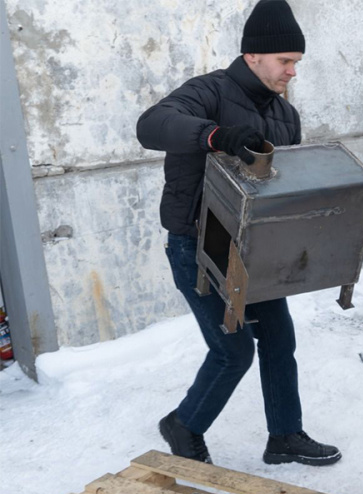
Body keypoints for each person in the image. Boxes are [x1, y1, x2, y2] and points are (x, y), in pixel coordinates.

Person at [136, 0, 340, 467]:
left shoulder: (285, 116)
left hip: (255, 248)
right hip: (199, 246)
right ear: (252, 55)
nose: (292, 72)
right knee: (233, 350)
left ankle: (284, 435)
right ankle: (184, 424)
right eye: (285, 61)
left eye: (296, 62)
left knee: (279, 339)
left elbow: (282, 187)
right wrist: (215, 135)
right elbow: (150, 126)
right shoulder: (207, 93)